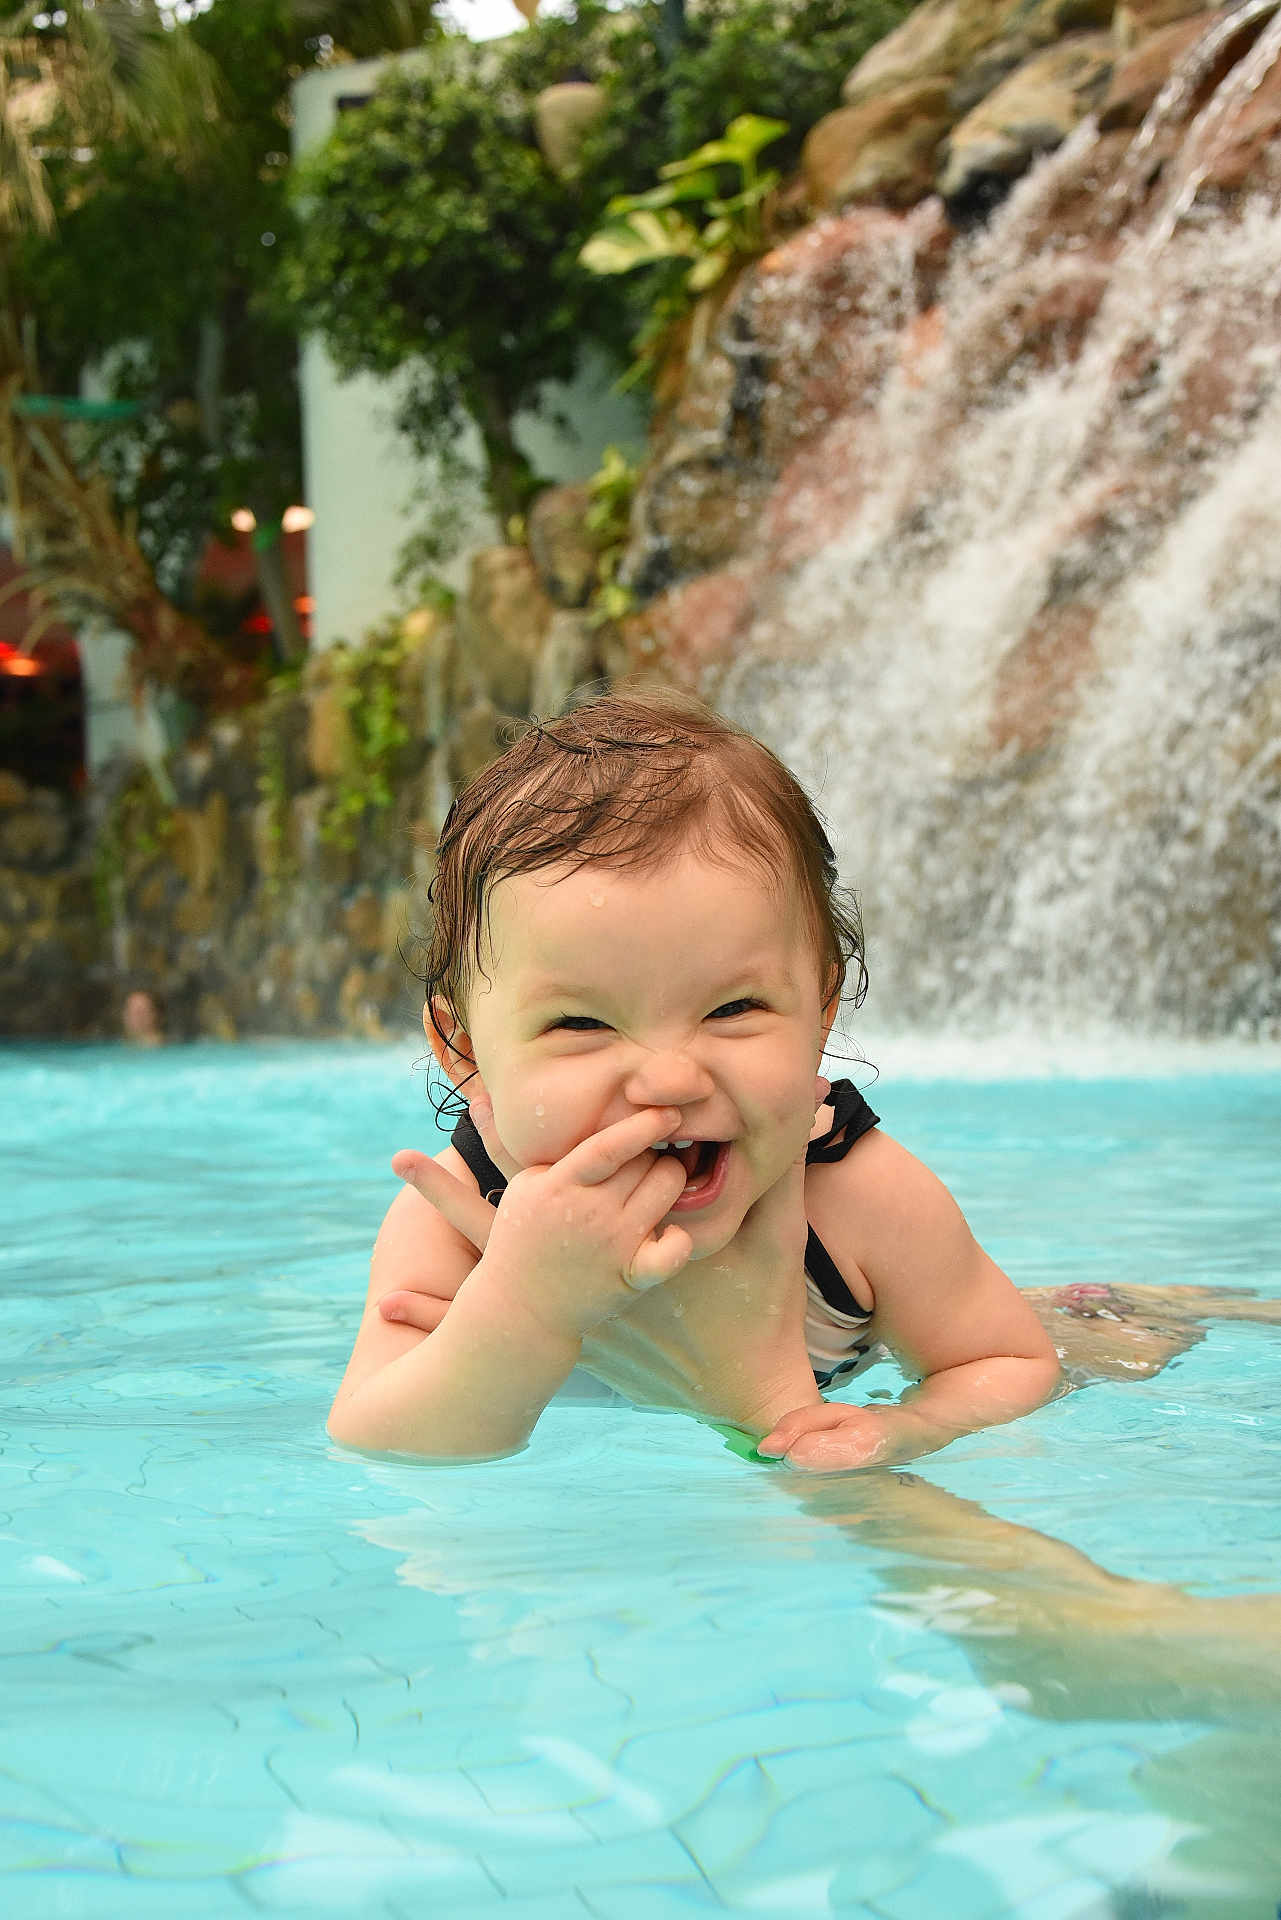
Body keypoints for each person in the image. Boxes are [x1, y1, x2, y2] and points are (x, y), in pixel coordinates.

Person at [329, 686, 1073, 1467]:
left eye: (733, 1008)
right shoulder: (457, 1219)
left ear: (819, 1010)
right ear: (462, 1045)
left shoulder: (857, 1194)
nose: (670, 1078)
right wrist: (523, 1306)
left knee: (1105, 1330)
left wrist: (908, 1429)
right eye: (582, 1023)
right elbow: (380, 1438)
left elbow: (1005, 1362)